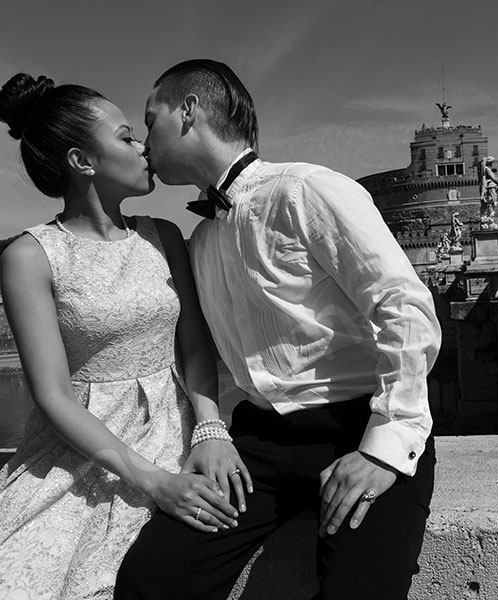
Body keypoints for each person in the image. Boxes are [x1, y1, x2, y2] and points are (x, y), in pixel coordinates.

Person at [115, 59, 442, 600]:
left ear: (189, 112)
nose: (144, 140)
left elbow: (403, 306)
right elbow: (215, 361)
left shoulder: (306, 189)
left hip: (357, 424)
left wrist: (384, 447)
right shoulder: (199, 242)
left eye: (151, 121)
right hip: (256, 445)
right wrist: (211, 430)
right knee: (152, 581)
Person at [0, 73, 248, 599]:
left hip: (171, 427)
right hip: (80, 444)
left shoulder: (163, 236)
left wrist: (210, 430)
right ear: (82, 161)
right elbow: (51, 394)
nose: (144, 147)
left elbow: (194, 345)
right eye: (125, 137)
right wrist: (153, 481)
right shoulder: (30, 256)